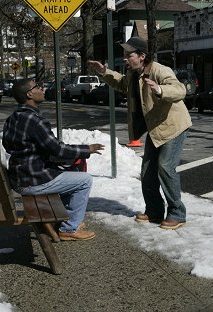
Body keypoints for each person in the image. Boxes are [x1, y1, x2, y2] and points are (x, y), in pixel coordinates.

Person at [88, 37, 192, 230]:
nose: (125, 58)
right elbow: (121, 84)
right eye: (125, 55)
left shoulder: (159, 70)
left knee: (165, 168)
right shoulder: (133, 73)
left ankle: (177, 213)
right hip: (156, 129)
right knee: (147, 172)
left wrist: (160, 89)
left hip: (173, 126)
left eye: (129, 55)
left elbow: (179, 89)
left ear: (142, 56)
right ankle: (154, 211)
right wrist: (104, 72)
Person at [2, 78, 105, 241]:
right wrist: (87, 149)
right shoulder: (34, 120)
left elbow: (10, 146)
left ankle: (66, 219)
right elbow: (58, 149)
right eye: (38, 86)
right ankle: (70, 229)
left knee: (71, 173)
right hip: (32, 180)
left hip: (19, 177)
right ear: (29, 94)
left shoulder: (13, 118)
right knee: (84, 180)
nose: (42, 88)